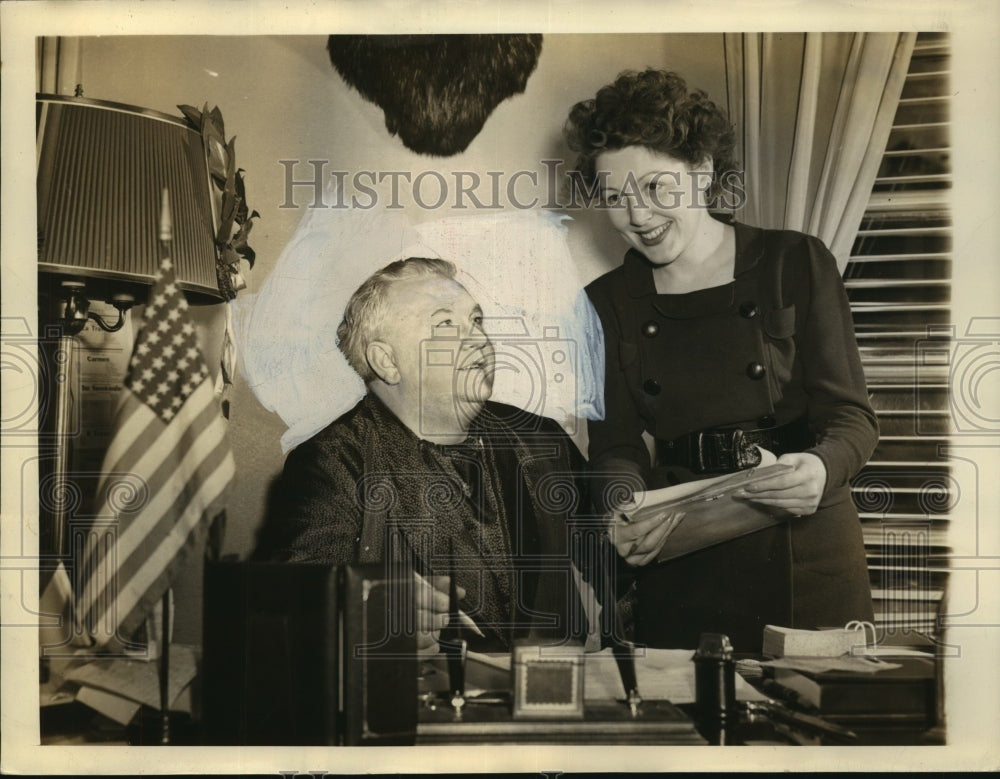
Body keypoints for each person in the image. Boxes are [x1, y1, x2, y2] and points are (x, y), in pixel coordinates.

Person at [564, 69, 877, 652]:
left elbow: (852, 419)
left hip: (805, 545)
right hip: (684, 551)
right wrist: (622, 509)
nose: (637, 216)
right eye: (614, 197)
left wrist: (820, 469)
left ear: (703, 171)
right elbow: (617, 450)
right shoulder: (604, 303)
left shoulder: (795, 262)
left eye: (657, 187)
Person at [253, 257, 603, 654]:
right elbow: (297, 608)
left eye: (475, 320)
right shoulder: (331, 464)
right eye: (444, 326)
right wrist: (371, 617)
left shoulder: (541, 438)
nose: (477, 339)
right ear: (387, 361)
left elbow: (614, 570)